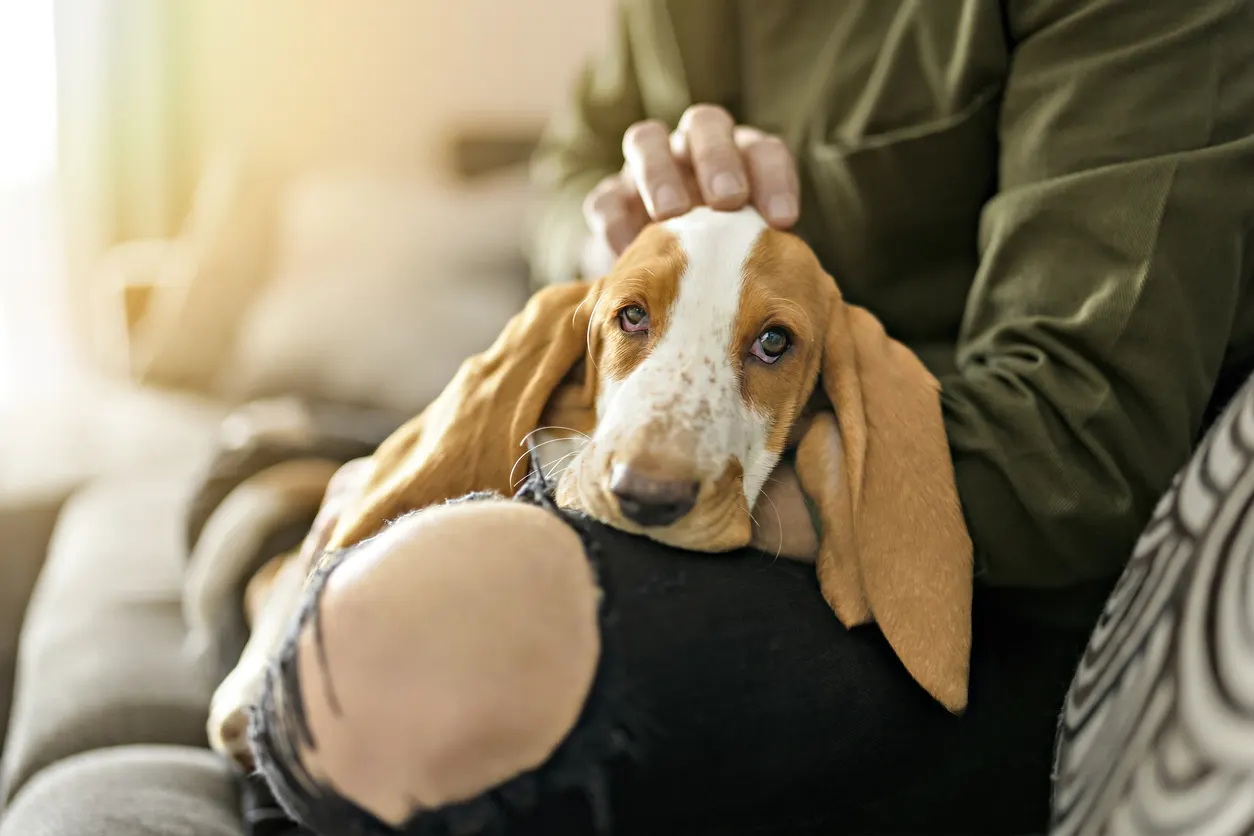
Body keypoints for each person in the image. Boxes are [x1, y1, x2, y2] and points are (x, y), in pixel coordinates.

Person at [242, 1, 1254, 834]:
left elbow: (1073, 441)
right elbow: (567, 174)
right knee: (284, 465)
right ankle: (276, 543)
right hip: (683, 471)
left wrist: (726, 473)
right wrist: (616, 243)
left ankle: (285, 579)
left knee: (408, 629)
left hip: (978, 588)